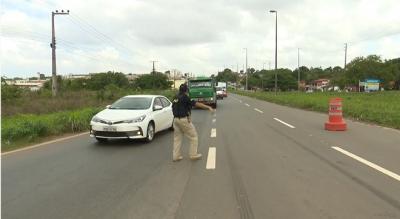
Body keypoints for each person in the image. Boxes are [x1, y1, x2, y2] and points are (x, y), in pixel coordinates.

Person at [172, 83, 214, 162]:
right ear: (186, 91)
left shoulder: (175, 97)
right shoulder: (185, 97)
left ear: (179, 90)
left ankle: (176, 156)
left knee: (177, 138)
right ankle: (193, 154)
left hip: (175, 120)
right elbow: (196, 104)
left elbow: (178, 107)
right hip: (183, 120)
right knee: (194, 137)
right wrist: (208, 107)